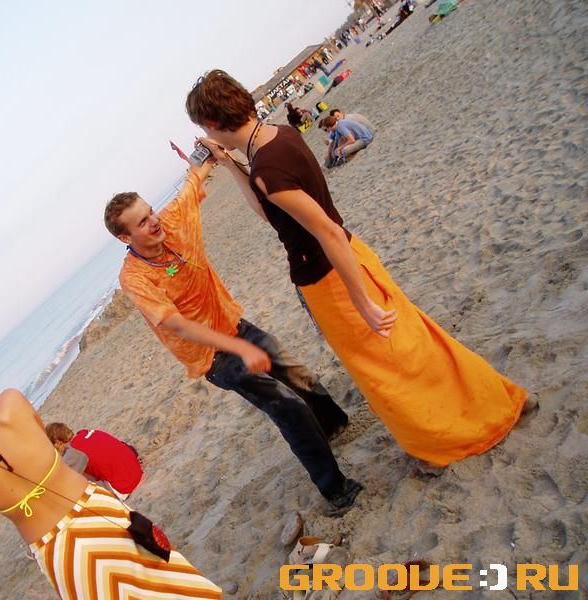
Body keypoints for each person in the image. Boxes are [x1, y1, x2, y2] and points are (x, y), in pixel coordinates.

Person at [185, 69, 529, 470]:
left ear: (212, 122)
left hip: (330, 277)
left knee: (382, 368)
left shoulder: (266, 170)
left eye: (203, 127)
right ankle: (489, 397)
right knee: (415, 339)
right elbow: (271, 211)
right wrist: (229, 163)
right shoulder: (280, 137)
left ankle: (440, 438)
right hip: (351, 255)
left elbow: (325, 231)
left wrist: (361, 301)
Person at [103, 159, 363, 515]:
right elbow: (175, 324)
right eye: (143, 222)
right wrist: (237, 347)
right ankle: (336, 491)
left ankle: (335, 427)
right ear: (125, 238)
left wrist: (209, 157)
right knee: (287, 407)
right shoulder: (134, 278)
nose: (154, 221)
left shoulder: (171, 221)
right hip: (213, 356)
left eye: (150, 211)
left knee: (294, 371)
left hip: (233, 323)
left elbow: (193, 180)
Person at [0, 356, 221, 599]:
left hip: (58, 550)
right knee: (165, 580)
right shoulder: (11, 401)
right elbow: (45, 443)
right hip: (94, 509)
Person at [45, 422, 143, 500]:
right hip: (135, 468)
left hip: (124, 486)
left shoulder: (73, 451)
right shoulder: (87, 433)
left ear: (58, 443)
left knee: (75, 485)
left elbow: (62, 480)